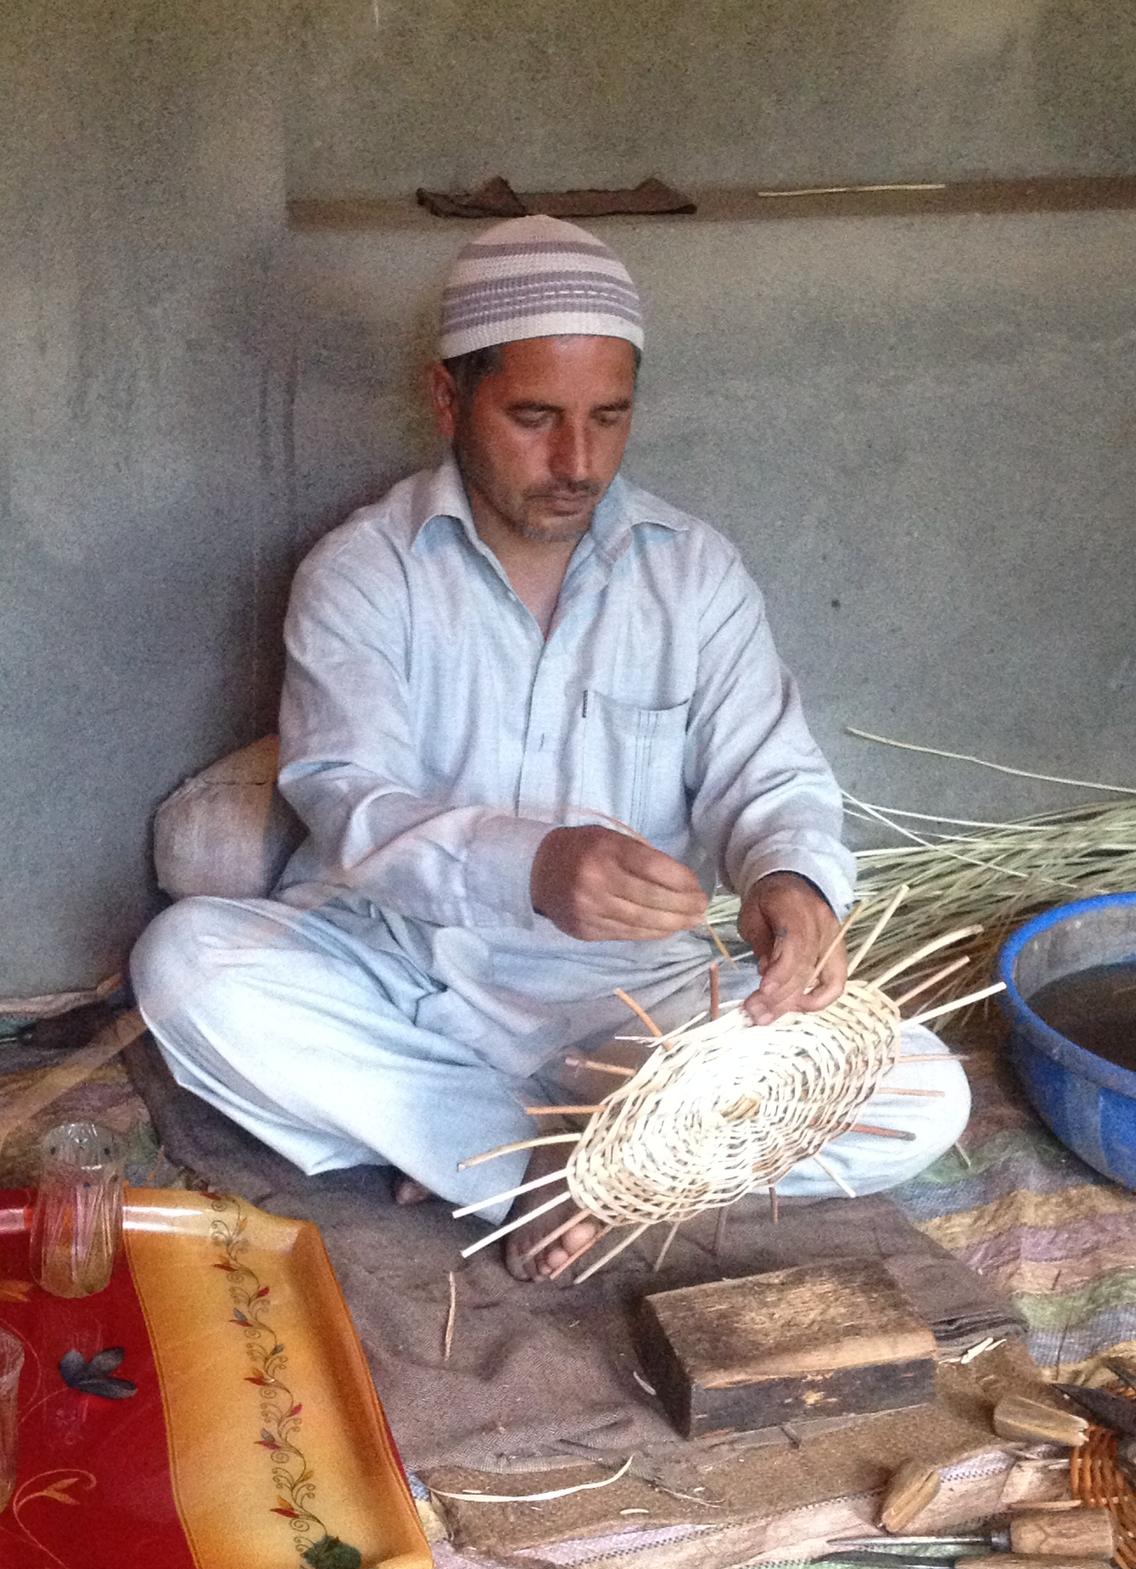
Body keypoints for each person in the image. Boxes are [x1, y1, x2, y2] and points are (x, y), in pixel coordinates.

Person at [132, 217, 969, 1280]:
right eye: (534, 417)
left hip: (627, 1006)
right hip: (401, 970)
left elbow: (772, 773)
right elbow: (350, 803)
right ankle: (552, 1168)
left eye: (608, 419)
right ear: (448, 401)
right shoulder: (362, 572)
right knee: (185, 969)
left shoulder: (694, 575)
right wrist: (533, 864)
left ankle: (493, 1152)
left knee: (919, 1093)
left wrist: (791, 880)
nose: (577, 462)